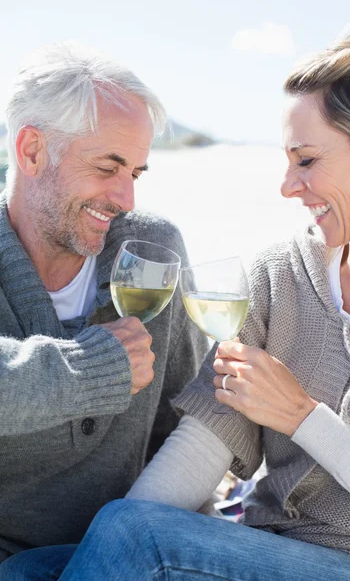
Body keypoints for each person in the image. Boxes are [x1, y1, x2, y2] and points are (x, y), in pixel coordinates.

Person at [4, 28, 350, 580]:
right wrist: (121, 535)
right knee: (26, 570)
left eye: (306, 160)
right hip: (252, 551)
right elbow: (202, 445)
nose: (288, 186)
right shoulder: (277, 277)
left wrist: (303, 418)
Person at [0, 42, 208, 573]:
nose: (125, 199)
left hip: (128, 558)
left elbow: (184, 412)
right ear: (30, 151)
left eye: (135, 173)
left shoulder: (152, 250)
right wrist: (94, 368)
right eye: (107, 167)